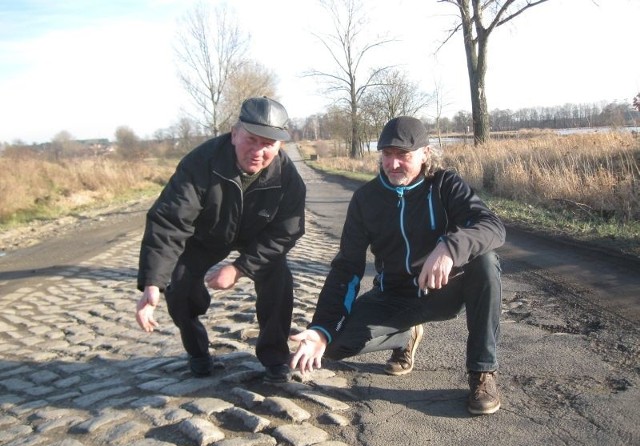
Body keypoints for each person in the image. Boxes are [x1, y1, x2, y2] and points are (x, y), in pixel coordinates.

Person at [290, 116, 505, 414]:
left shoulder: (444, 185)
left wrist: (449, 248)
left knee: (485, 260)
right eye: (387, 154)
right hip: (393, 296)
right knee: (334, 345)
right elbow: (346, 268)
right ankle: (406, 335)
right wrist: (321, 329)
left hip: (442, 290)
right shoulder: (366, 199)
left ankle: (482, 372)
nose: (392, 164)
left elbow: (492, 227)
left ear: (425, 153)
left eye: (402, 155)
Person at [135, 97, 306, 383]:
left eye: (268, 144)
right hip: (208, 234)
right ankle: (198, 352)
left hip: (257, 235)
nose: (258, 151)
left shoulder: (288, 176)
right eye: (251, 139)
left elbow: (286, 231)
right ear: (234, 132)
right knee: (178, 285)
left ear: (280, 145)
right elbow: (169, 222)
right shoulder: (200, 164)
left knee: (279, 279)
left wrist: (239, 268)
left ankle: (275, 356)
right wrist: (153, 282)